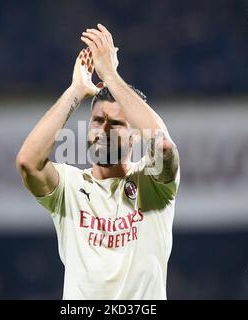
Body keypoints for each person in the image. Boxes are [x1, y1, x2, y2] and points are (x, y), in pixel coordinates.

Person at [16, 24, 180, 299]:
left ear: (134, 137)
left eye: (115, 124)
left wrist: (110, 75)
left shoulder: (153, 183)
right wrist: (76, 90)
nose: (103, 130)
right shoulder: (69, 186)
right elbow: (27, 162)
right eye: (97, 120)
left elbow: (162, 144)